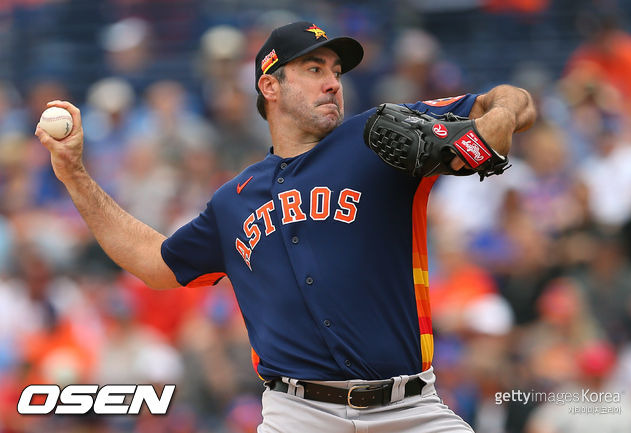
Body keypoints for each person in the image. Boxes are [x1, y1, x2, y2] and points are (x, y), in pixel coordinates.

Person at [36, 21, 536, 433]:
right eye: (313, 68)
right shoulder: (233, 200)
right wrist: (74, 175)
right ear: (270, 85)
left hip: (410, 410)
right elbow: (154, 263)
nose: (332, 81)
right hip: (298, 415)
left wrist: (500, 119)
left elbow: (512, 101)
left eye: (336, 70)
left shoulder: (376, 136)